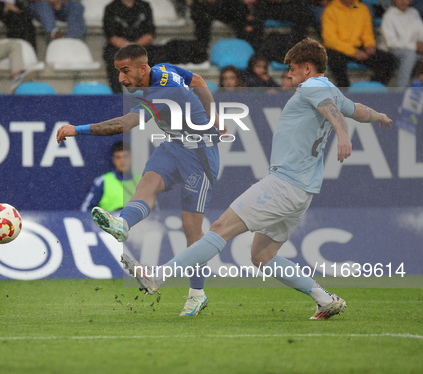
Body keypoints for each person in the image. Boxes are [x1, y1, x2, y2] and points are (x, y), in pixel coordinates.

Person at [120, 38, 393, 320]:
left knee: (220, 227)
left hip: (283, 184)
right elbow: (357, 109)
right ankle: (324, 299)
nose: (288, 74)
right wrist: (380, 116)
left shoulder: (314, 88)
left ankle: (158, 276)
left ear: (308, 68)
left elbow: (330, 109)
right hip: (303, 191)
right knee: (262, 256)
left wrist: (343, 134)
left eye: (292, 68)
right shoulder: (332, 90)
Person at [57, 44, 227, 316]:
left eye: (125, 72)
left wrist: (76, 130)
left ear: (142, 68)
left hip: (201, 155)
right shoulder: (164, 70)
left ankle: (197, 294)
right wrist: (214, 115)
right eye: (118, 72)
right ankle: (123, 224)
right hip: (173, 145)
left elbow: (125, 124)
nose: (121, 79)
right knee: (147, 183)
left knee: (191, 229)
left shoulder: (162, 92)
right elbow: (197, 80)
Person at [322, 0, 396, 87]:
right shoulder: (330, 10)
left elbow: (367, 33)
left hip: (359, 47)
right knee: (335, 60)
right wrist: (354, 52)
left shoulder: (361, 8)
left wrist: (370, 45)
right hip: (339, 49)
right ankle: (345, 92)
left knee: (388, 60)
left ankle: (371, 89)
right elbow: (330, 41)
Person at [103, 0, 156, 93]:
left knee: (156, 55)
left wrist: (136, 46)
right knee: (113, 58)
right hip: (118, 48)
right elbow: (111, 36)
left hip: (142, 46)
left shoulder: (144, 6)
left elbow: (150, 33)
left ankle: (152, 93)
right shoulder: (111, 8)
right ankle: (117, 95)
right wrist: (128, 47)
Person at [81, 141, 142, 213]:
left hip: (140, 222)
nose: (122, 161)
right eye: (118, 157)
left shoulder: (142, 180)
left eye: (125, 156)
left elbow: (154, 210)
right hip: (111, 221)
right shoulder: (103, 181)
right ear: (113, 160)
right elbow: (86, 209)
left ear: (131, 158)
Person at [381, 0, 423, 88]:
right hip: (393, 50)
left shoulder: (413, 13)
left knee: (412, 54)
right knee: (410, 55)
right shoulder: (389, 15)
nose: (403, 2)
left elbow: (421, 33)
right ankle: (401, 90)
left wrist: (420, 43)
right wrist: (414, 46)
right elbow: (391, 42)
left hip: (413, 48)